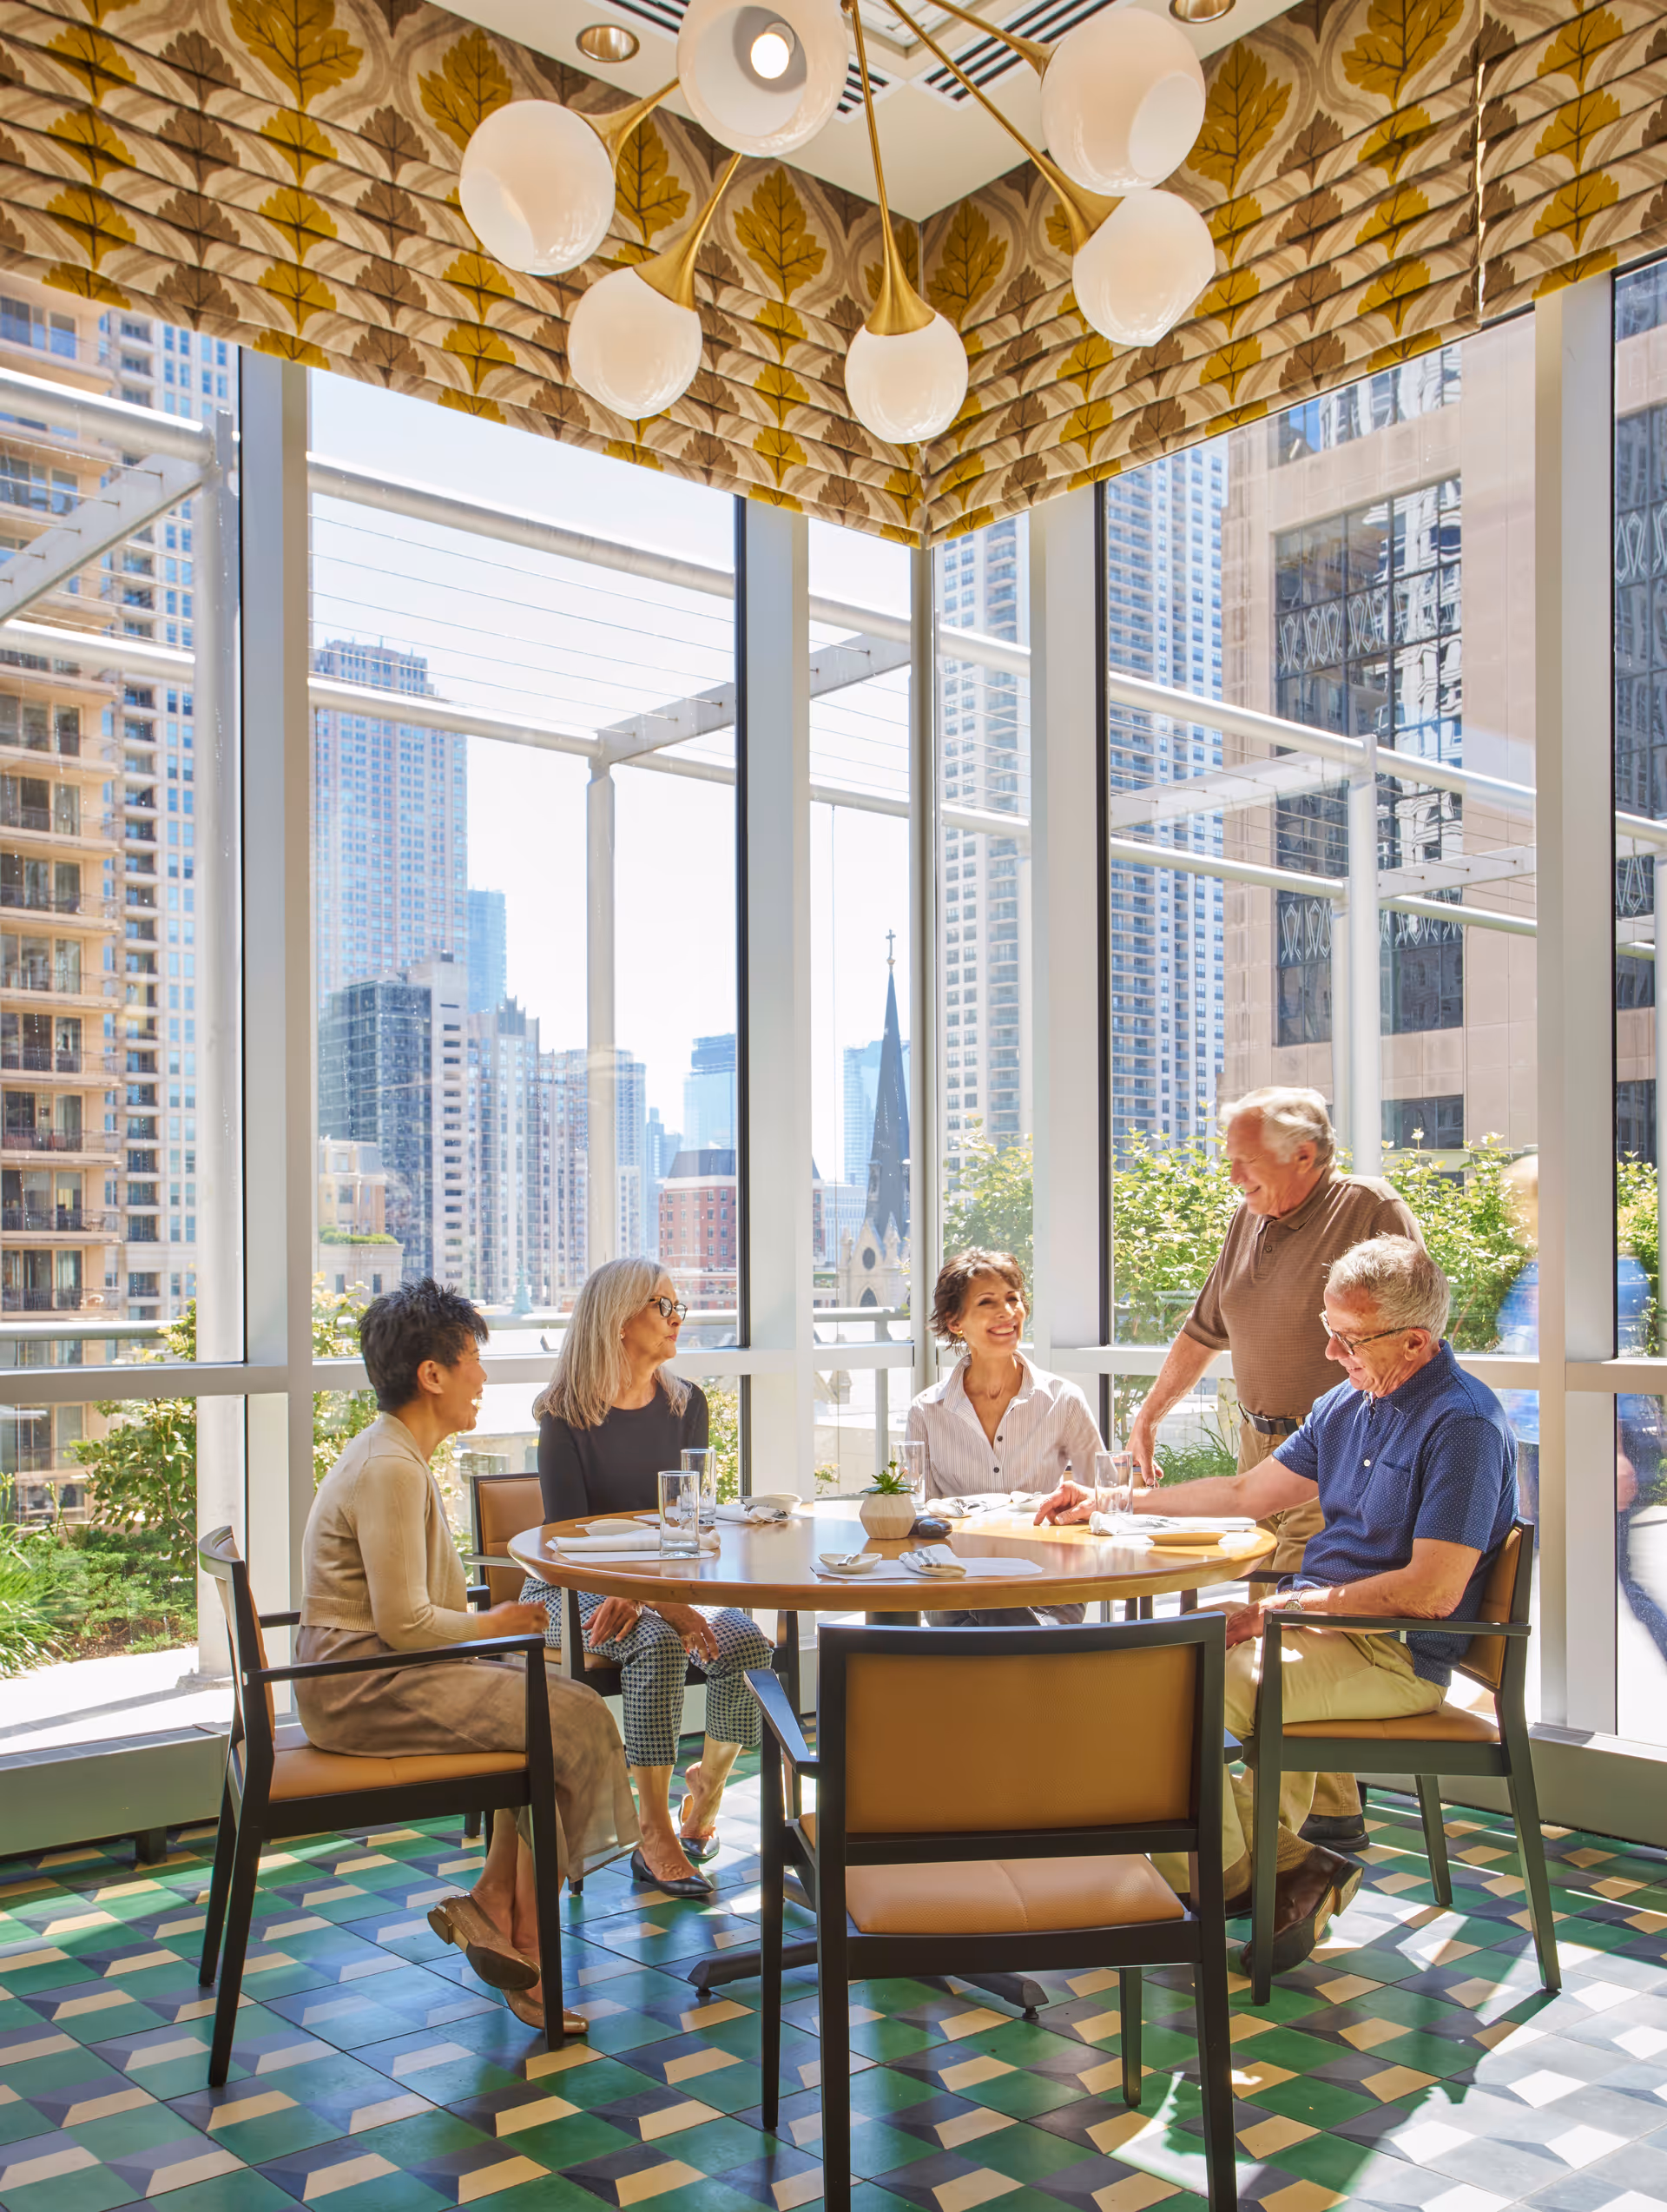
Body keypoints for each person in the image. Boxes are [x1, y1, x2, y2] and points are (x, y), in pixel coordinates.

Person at [1038, 1236, 1517, 1978]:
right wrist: (1110, 1499)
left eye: (1348, 1338)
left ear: (1416, 1340)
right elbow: (1245, 1495)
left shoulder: (1464, 1426)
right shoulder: (1350, 1401)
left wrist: (1284, 1610)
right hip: (1317, 1626)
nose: (1330, 1352)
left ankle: (1230, 1881)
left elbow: (1432, 1591)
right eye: (1329, 1330)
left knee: (1186, 1691)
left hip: (1396, 1653)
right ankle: (1276, 1873)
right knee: (1143, 1674)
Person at [297, 1278, 637, 2036]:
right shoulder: (388, 1466)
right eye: (474, 1359)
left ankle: (497, 1906)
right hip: (362, 1686)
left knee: (546, 1709)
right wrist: (503, 1621)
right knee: (569, 1711)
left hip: (371, 1672)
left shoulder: (395, 1453)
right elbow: (406, 1623)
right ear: (432, 1373)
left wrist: (503, 1632)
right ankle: (517, 1935)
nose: (483, 1376)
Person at [1121, 1086, 1420, 1851]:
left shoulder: (1368, 1209)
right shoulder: (1249, 1217)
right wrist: (1150, 1411)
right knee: (1264, 1619)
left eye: (1245, 1161)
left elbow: (1412, 1322)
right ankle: (1326, 1821)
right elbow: (1204, 1327)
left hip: (1336, 1458)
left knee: (1279, 1638)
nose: (1232, 1177)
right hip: (1265, 1452)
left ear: (1305, 1156)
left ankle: (1277, 1851)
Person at [518, 1257, 774, 1899]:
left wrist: (662, 1596)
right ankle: (654, 1831)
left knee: (746, 1641)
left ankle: (706, 1793)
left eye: (677, 1306)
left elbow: (693, 1524)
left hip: (663, 1585)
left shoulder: (687, 1405)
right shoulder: (564, 1416)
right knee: (657, 1644)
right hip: (570, 1589)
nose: (677, 1318)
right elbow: (567, 1544)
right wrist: (648, 1600)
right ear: (618, 1317)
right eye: (663, 1305)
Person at [906, 1246, 1102, 1626]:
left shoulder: (1063, 1400)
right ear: (955, 1321)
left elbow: (1101, 1495)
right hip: (957, 1587)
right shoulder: (926, 1410)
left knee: (987, 1645)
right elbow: (915, 1514)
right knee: (993, 1635)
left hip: (1047, 1585)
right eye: (987, 1302)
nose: (1007, 1312)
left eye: (1013, 1299)